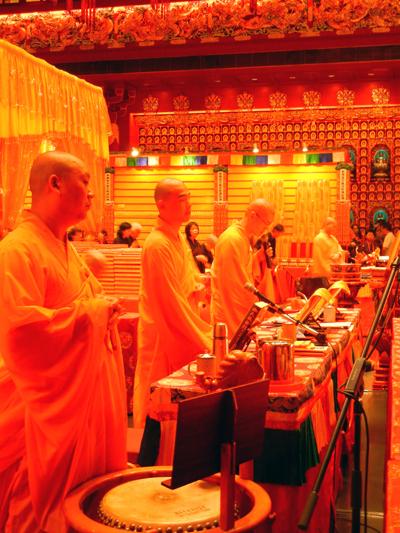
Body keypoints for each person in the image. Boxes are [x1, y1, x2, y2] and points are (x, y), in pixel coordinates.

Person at [0, 151, 127, 532]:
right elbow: (21, 332)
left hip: (84, 403)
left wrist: (98, 311)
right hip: (43, 412)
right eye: (85, 181)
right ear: (55, 183)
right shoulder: (17, 251)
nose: (92, 193)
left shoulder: (67, 249)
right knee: (38, 508)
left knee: (84, 501)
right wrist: (92, 315)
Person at [134, 178, 212, 429]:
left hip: (182, 322)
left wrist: (199, 285)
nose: (188, 204)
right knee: (159, 399)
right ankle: (155, 461)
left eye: (188, 197)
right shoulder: (158, 245)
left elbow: (185, 283)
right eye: (181, 198)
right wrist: (204, 338)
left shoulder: (177, 239)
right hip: (165, 332)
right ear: (161, 205)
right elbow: (169, 302)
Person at [211, 199, 275, 337]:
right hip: (229, 314)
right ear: (253, 215)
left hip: (235, 311)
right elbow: (236, 285)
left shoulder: (243, 238)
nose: (266, 229)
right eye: (266, 223)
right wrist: (256, 310)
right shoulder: (232, 239)